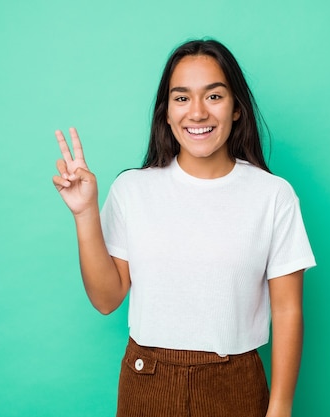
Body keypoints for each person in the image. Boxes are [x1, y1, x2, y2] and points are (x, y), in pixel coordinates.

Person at [52, 39, 315, 417]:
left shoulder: (273, 195)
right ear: (167, 113)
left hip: (235, 385)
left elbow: (288, 310)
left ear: (236, 108)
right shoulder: (133, 189)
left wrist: (281, 407)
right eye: (181, 98)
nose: (197, 112)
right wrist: (84, 214)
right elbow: (107, 299)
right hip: (147, 382)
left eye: (213, 96)